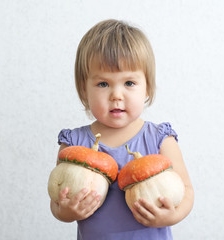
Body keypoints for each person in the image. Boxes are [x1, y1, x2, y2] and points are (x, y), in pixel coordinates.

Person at [50, 19, 194, 240]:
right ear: (83, 88)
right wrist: (66, 212)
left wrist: (170, 217)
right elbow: (56, 202)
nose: (117, 95)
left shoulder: (160, 140)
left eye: (129, 83)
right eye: (103, 84)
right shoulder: (73, 143)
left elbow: (186, 191)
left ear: (147, 87)